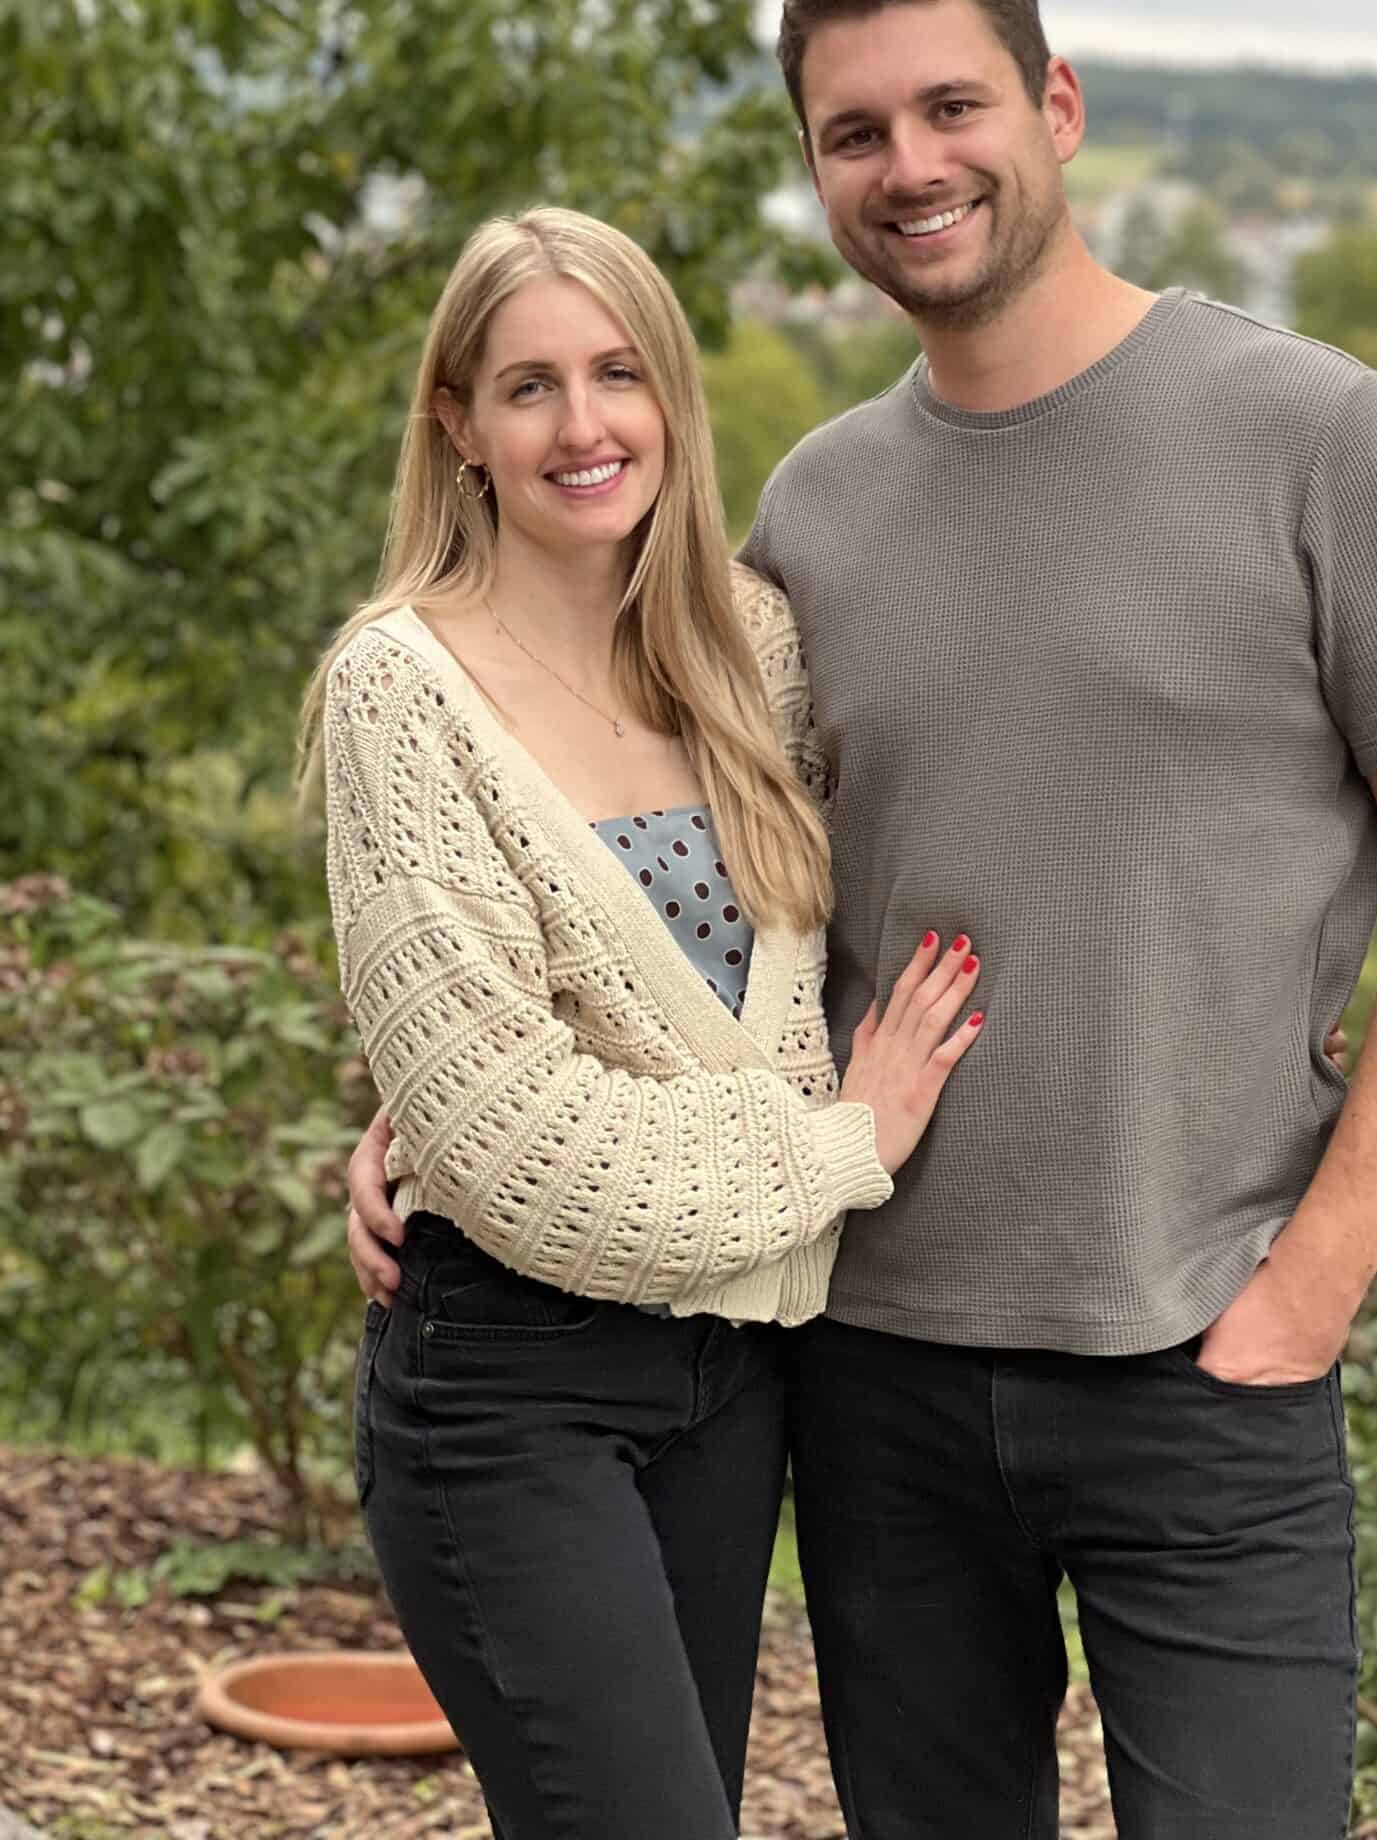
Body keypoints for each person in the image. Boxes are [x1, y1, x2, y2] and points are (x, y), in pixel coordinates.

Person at [352, 0, 1377, 1839]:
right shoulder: (806, 518)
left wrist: (1316, 1281)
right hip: (864, 1368)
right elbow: (675, 892)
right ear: (817, 174)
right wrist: (428, 1111)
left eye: (951, 106)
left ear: (1055, 109)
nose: (909, 164)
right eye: (853, 133)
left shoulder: (1316, 434)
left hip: (1202, 1356)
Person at [306, 205, 986, 1840]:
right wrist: (844, 1144)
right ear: (456, 423)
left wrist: (451, 1112)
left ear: (673, 398)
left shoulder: (743, 647)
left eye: (619, 373)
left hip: (736, 1384)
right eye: (528, 385)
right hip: (513, 1387)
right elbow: (525, 1147)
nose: (585, 424)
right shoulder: (402, 688)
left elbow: (750, 1006)